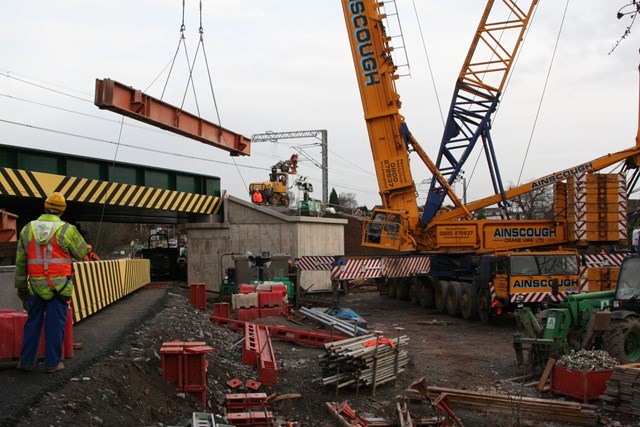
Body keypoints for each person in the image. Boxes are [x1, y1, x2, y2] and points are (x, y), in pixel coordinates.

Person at [14, 192, 92, 373]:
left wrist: (21, 289)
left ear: (45, 207)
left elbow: (20, 263)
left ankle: (26, 362)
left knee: (32, 323)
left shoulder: (27, 229)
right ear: (62, 211)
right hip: (59, 287)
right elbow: (82, 255)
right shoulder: (67, 230)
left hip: (35, 288)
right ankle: (52, 363)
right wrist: (86, 248)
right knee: (55, 325)